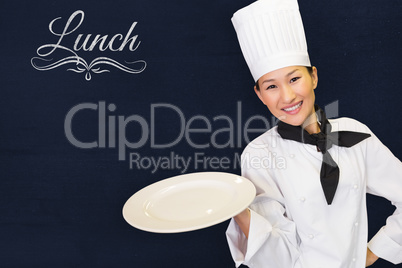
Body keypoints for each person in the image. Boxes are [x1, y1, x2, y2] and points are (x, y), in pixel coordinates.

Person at [225, 0, 402, 267]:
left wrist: (374, 251)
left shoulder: (355, 134)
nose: (287, 96)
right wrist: (237, 210)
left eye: (294, 79)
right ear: (260, 95)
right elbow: (276, 256)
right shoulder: (259, 155)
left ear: (314, 77)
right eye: (271, 86)